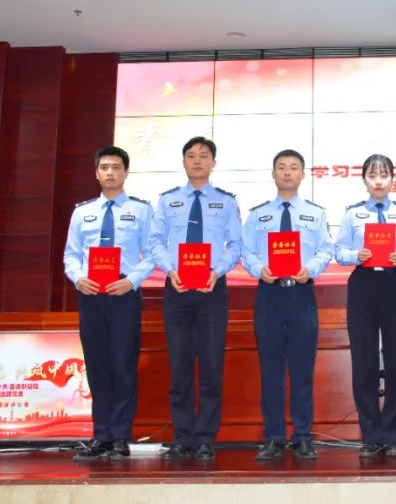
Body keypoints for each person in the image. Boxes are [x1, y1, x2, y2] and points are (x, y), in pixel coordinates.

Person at [149, 136, 242, 461]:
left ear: (213, 163)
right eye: (191, 155)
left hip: (212, 290)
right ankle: (182, 436)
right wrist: (170, 269)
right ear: (184, 162)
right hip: (176, 289)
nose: (197, 160)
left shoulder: (226, 202)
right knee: (180, 366)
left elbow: (236, 245)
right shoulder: (168, 201)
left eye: (204, 156)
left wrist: (217, 271)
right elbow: (156, 241)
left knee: (212, 366)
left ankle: (205, 438)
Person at [63, 146, 155, 461]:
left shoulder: (142, 211)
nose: (110, 172)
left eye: (116, 167)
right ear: (97, 173)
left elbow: (153, 253)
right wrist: (78, 278)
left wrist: (132, 280)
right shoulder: (82, 212)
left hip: (123, 294)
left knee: (123, 365)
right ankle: (101, 435)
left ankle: (120, 437)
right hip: (91, 295)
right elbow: (71, 254)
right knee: (98, 366)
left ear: (126, 172)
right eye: (104, 167)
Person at [241, 149, 333, 460]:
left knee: (302, 370)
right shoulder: (258, 214)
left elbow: (325, 250)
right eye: (282, 167)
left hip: (301, 295)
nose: (288, 172)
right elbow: (247, 251)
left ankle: (303, 436)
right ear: (273, 174)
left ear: (303, 174)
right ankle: (274, 437)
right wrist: (259, 269)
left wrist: (311, 270)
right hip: (269, 295)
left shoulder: (315, 213)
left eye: (294, 167)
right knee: (271, 371)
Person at [334, 154, 396, 458]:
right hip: (363, 285)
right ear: (364, 180)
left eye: (384, 175)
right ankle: (371, 435)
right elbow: (339, 251)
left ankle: (395, 434)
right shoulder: (352, 214)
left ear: (393, 179)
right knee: (364, 360)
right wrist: (355, 255)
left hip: (394, 284)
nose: (378, 181)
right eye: (372, 175)